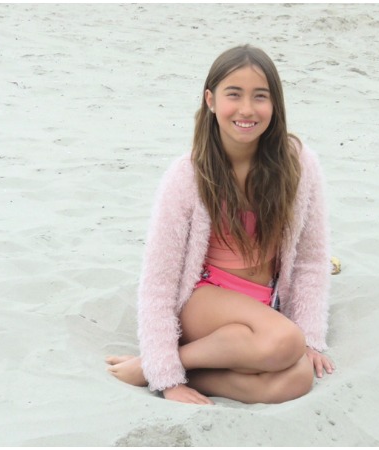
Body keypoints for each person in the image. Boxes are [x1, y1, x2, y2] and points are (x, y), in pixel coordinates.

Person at [106, 44, 334, 405]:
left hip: (263, 303)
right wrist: (165, 374)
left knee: (298, 377)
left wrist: (311, 336)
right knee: (285, 341)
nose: (247, 109)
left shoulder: (299, 165)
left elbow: (311, 258)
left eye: (260, 96)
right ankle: (160, 365)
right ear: (210, 100)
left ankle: (190, 371)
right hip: (204, 298)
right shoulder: (187, 175)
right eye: (234, 94)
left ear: (275, 104)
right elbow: (159, 281)